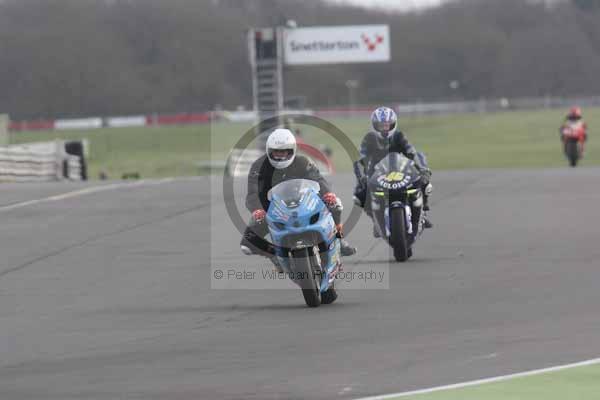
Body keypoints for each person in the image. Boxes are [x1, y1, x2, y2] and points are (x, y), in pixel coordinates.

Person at [240, 128, 357, 268]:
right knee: (247, 244)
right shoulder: (258, 167)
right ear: (269, 151)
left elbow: (318, 179)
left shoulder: (303, 161)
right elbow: (252, 193)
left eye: (284, 152)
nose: (280, 156)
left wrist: (328, 194)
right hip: (272, 208)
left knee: (335, 204)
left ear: (292, 150)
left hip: (303, 201)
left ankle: (338, 239)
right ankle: (274, 254)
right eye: (276, 152)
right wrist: (257, 210)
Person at [353, 106, 433, 237]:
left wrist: (423, 169)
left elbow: (412, 152)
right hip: (376, 173)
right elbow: (360, 159)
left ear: (393, 124)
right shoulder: (369, 138)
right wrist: (361, 176)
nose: (385, 128)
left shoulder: (399, 136)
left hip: (400, 169)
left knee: (424, 182)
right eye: (381, 125)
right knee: (359, 194)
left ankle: (423, 212)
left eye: (387, 125)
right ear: (374, 125)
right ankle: (375, 220)